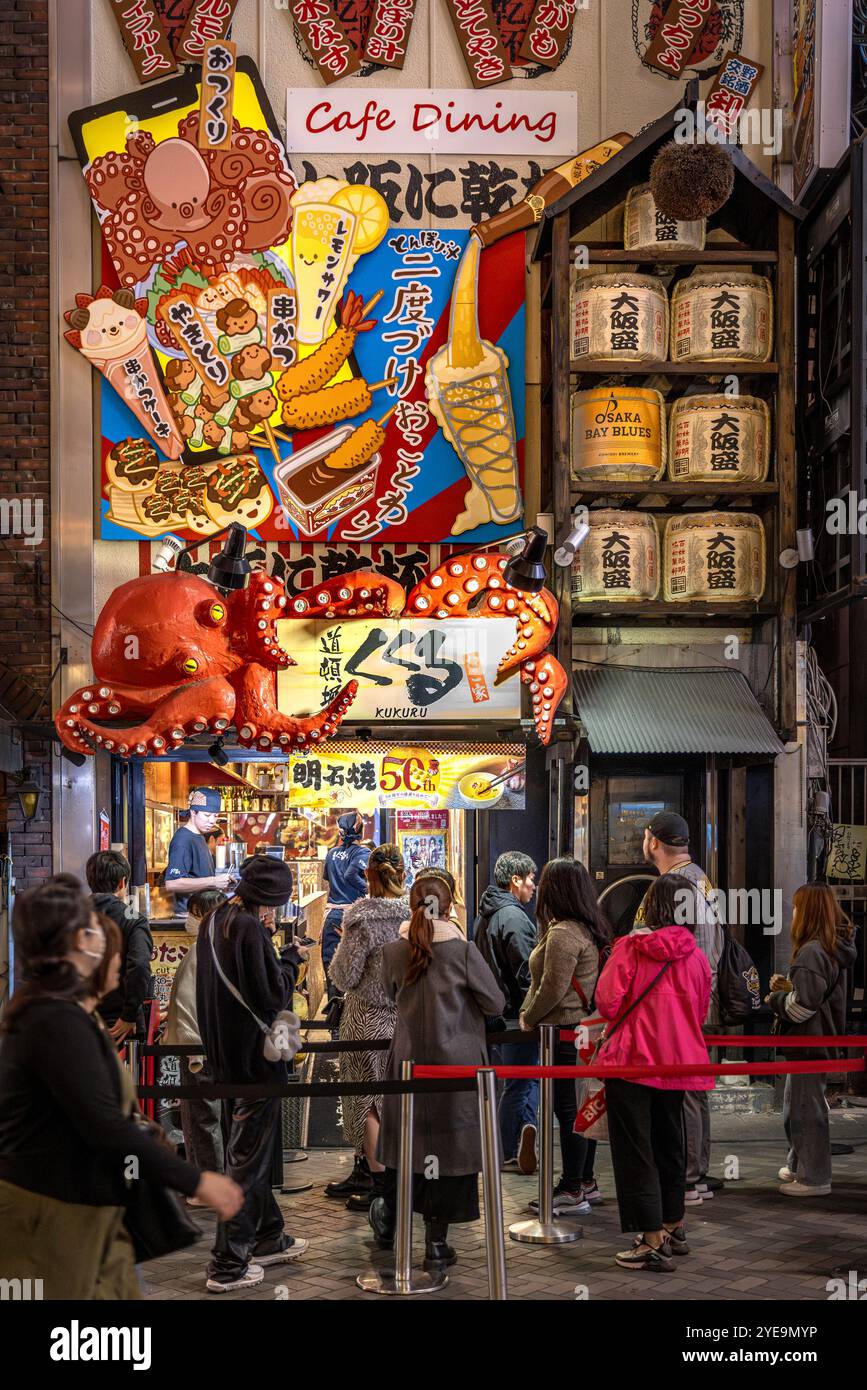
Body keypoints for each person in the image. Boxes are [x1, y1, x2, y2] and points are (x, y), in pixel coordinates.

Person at [0, 879, 241, 1300]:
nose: (106, 939)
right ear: (74, 942)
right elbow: (105, 1125)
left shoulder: (62, 1013)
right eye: (91, 929)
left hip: (78, 1212)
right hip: (50, 1217)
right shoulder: (55, 1021)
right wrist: (197, 1180)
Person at [370, 873, 505, 1270]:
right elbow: (495, 1002)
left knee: (412, 1147)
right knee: (449, 1151)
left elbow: (390, 993)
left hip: (409, 1063)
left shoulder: (394, 950)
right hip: (457, 1067)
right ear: (449, 908)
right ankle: (437, 1242)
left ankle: (399, 1235)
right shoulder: (463, 951)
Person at [196, 855, 308, 1292]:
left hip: (225, 1059)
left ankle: (267, 1236)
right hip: (254, 1063)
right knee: (246, 1162)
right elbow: (270, 994)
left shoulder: (216, 920)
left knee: (248, 1155)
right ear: (267, 900)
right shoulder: (247, 928)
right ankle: (228, 1263)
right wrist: (291, 963)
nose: (275, 911)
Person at [596, 874, 712, 1271]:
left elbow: (608, 1003)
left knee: (635, 1150)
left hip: (632, 1061)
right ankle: (673, 1223)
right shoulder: (696, 956)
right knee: (670, 1143)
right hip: (678, 1062)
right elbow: (701, 1013)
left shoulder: (630, 947)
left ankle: (650, 1239)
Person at [636, 810, 723, 1204]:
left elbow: (694, 952)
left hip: (685, 1006)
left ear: (653, 841)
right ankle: (696, 1172)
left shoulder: (679, 885)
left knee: (684, 1088)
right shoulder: (700, 878)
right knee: (694, 1089)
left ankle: (687, 1176)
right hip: (698, 1002)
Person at [520, 857, 609, 1212]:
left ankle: (571, 1187)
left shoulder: (562, 933)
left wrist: (529, 1016)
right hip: (586, 1028)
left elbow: (552, 988)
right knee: (584, 1106)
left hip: (564, 1029)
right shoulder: (588, 927)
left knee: (568, 1109)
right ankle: (585, 1181)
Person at [325, 844, 409, 1208]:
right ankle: (392, 1177)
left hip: (367, 1017)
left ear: (368, 876)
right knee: (394, 1098)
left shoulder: (361, 919)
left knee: (368, 1102)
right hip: (404, 1017)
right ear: (403, 874)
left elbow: (343, 975)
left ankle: (379, 1187)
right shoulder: (416, 915)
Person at [767, 882, 856, 1197]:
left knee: (806, 1109)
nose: (792, 913)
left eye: (795, 907)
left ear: (806, 912)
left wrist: (776, 999)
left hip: (809, 1041)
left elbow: (804, 1006)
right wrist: (788, 988)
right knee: (798, 1107)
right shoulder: (830, 947)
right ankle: (798, 1165)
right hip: (818, 1040)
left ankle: (813, 1176)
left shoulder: (812, 951)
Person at [474, 850, 539, 1174]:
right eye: (530, 879)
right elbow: (527, 974)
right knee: (519, 1083)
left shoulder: (486, 913)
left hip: (494, 1015)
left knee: (520, 1080)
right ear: (515, 880)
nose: (533, 887)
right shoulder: (512, 918)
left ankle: (523, 1133)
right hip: (516, 1014)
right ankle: (506, 1148)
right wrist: (535, 1008)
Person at [163, 888, 228, 1189]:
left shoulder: (201, 951)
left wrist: (192, 1052)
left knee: (200, 1118)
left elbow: (189, 1005)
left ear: (204, 915)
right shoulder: (220, 946)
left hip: (198, 1050)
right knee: (208, 1116)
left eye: (194, 913)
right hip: (217, 1045)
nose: (189, 919)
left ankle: (206, 1185)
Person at [85, 849, 155, 1047]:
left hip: (77, 1019)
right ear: (123, 882)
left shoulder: (70, 916)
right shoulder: (134, 919)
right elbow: (140, 966)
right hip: (119, 1024)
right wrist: (129, 1014)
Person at [322, 811, 371, 988]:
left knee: (331, 967)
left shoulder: (331, 853)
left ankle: (333, 1010)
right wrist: (368, 888)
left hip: (332, 915)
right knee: (354, 970)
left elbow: (327, 878)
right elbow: (350, 874)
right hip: (351, 916)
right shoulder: (363, 852)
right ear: (360, 830)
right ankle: (350, 1013)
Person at [165, 788, 233, 913]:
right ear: (193, 812)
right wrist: (213, 881)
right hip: (190, 914)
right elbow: (172, 883)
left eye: (215, 816)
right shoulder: (183, 840)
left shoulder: (199, 836)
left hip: (204, 912)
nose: (212, 820)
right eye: (207, 815)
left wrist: (221, 881)